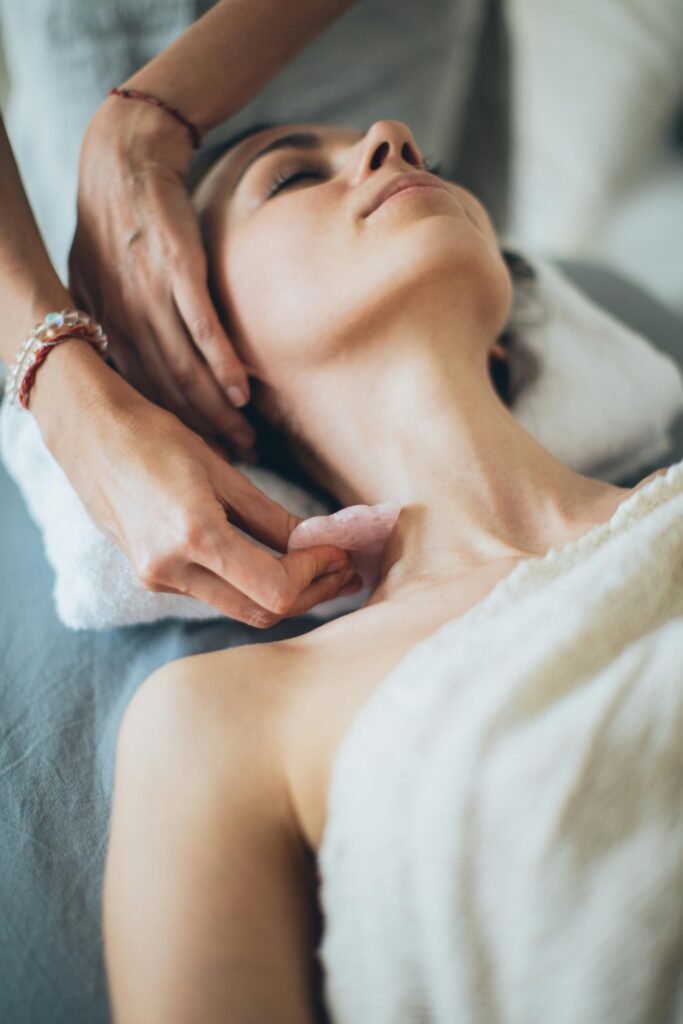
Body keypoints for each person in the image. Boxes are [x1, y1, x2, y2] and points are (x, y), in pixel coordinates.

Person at [102, 118, 671, 1023]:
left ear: (502, 335)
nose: (389, 138)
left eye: (424, 158)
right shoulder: (223, 721)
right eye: (288, 178)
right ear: (206, 362)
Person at [0, 111, 359, 624]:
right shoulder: (206, 697)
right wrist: (68, 395)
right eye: (291, 179)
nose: (394, 136)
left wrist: (141, 123)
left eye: (433, 167)